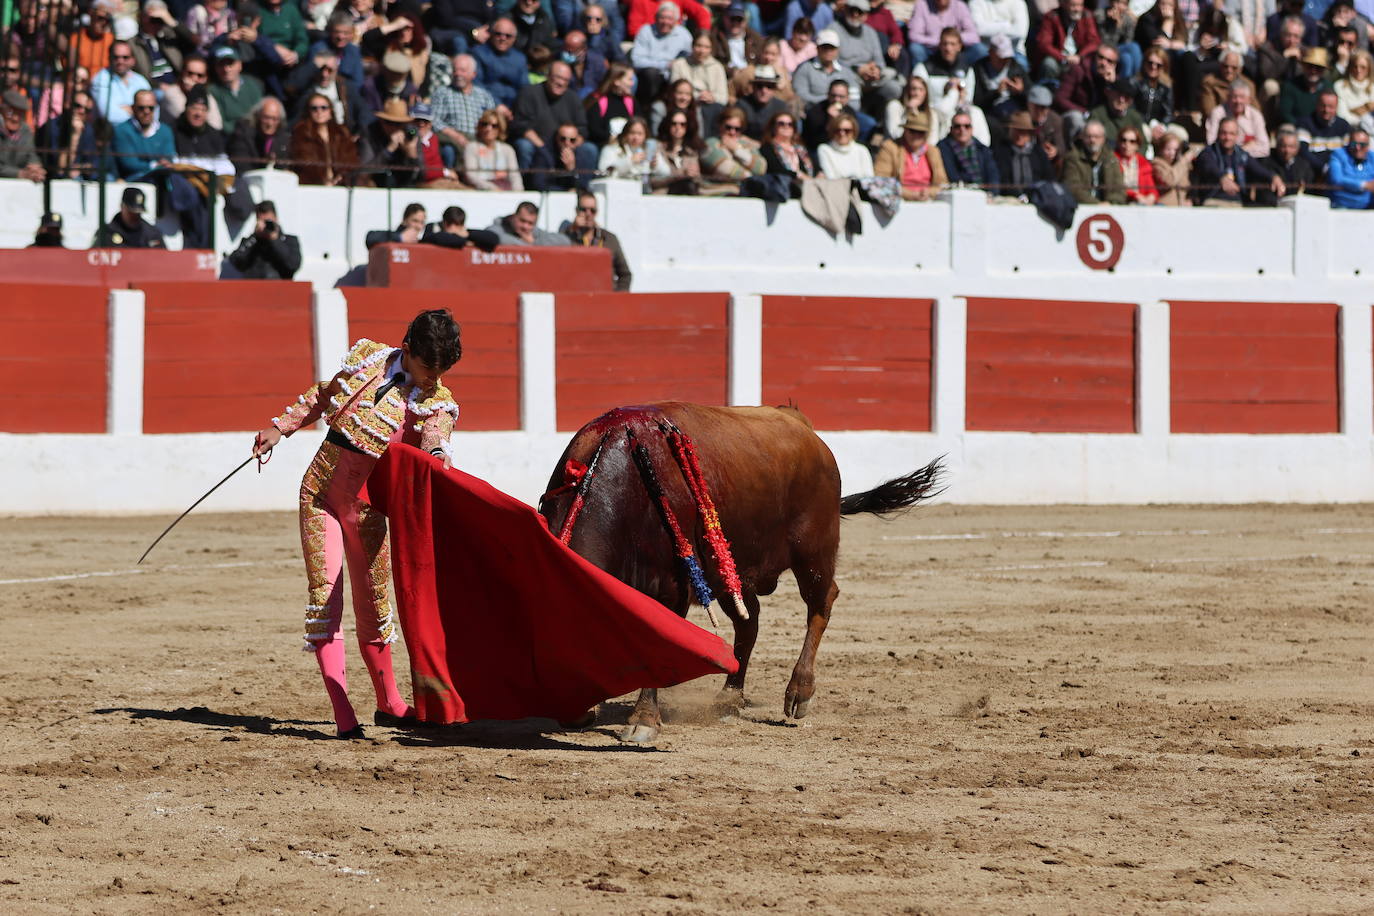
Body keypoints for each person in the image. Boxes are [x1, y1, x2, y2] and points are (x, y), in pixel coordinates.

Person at [250, 310, 464, 739]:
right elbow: (324, 394)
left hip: (368, 511)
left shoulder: (435, 398)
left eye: (439, 372)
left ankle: (389, 703)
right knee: (325, 597)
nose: (431, 379)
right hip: (320, 495)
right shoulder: (367, 358)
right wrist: (280, 428)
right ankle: (343, 710)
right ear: (408, 349)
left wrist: (439, 455)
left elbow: (435, 436)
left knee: (374, 604)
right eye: (426, 369)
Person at [1192, 116, 1285, 205]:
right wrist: (1222, 179)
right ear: (1218, 134)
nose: (1227, 137)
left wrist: (1274, 177)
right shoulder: (1208, 153)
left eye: (1231, 133)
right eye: (1224, 133)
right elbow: (1210, 167)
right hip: (1213, 200)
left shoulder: (1242, 155)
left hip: (1238, 202)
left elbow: (1258, 169)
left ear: (1237, 136)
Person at [835, 0, 903, 106]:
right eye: (852, 10)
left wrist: (876, 70)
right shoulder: (835, 29)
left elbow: (879, 61)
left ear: (866, 15)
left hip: (870, 79)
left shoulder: (870, 32)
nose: (855, 14)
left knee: (894, 88)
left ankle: (876, 117)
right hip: (847, 76)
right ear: (845, 9)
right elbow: (832, 62)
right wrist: (858, 69)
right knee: (852, 92)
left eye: (859, 11)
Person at [432, 54, 498, 160]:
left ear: (473, 74)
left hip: (479, 138)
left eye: (462, 70)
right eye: (455, 70)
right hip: (452, 139)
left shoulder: (484, 96)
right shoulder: (442, 93)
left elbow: (493, 120)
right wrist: (455, 135)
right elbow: (434, 120)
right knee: (448, 150)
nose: (458, 74)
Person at [289, 90, 363, 185]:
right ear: (308, 111)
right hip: (312, 186)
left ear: (330, 111)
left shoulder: (341, 132)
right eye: (314, 108)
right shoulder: (301, 133)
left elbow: (351, 160)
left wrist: (340, 177)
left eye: (323, 108)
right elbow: (304, 162)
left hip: (341, 185)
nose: (319, 111)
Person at [563, 190, 632, 290]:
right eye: (583, 209)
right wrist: (574, 229)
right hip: (578, 296)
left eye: (592, 210)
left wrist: (618, 298)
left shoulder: (609, 239)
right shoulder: (567, 238)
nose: (588, 214)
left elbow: (625, 275)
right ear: (577, 211)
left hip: (606, 298)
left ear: (597, 212)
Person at [874, 110, 949, 200]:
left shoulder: (933, 151)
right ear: (905, 130)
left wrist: (928, 192)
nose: (916, 135)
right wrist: (911, 194)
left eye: (921, 132)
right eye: (912, 131)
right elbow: (881, 181)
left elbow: (942, 184)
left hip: (928, 202)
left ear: (926, 134)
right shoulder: (890, 148)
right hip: (898, 202)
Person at [632, 1, 693, 108]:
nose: (665, 22)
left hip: (674, 77)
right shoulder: (646, 31)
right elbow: (636, 60)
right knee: (651, 74)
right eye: (662, 17)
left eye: (669, 19)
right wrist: (664, 64)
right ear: (655, 18)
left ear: (676, 20)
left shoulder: (684, 35)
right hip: (648, 80)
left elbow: (689, 58)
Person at [227, 200, 302, 278]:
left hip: (281, 288)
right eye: (263, 222)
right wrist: (255, 236)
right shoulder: (252, 242)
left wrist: (275, 240)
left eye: (268, 221)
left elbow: (293, 265)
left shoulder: (290, 241)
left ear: (276, 219)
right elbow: (236, 260)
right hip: (254, 288)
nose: (266, 226)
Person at [112, 88, 175, 182]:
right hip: (134, 181)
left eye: (151, 108)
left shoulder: (165, 131)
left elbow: (169, 158)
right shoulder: (122, 130)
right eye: (141, 108)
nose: (146, 112)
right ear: (133, 108)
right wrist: (155, 165)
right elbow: (129, 164)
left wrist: (164, 164)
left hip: (163, 178)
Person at [361, 97, 424, 187]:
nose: (394, 128)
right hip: (377, 185)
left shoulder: (411, 134)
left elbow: (421, 176)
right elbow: (365, 171)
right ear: (382, 122)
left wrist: (411, 154)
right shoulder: (370, 133)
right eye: (390, 122)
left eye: (399, 124)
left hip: (405, 185)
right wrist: (389, 150)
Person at [990, 109, 1052, 197]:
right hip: (1009, 198)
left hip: (1037, 197)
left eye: (1024, 131)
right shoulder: (1001, 151)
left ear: (1030, 133)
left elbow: (1048, 178)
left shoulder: (1038, 153)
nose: (1020, 135)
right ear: (1010, 130)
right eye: (1017, 130)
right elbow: (1002, 179)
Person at [793, 29, 862, 108]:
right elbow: (801, 96)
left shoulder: (847, 72)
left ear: (837, 50)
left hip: (844, 113)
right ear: (817, 48)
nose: (828, 51)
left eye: (832, 48)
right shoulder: (805, 68)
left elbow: (855, 100)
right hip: (814, 111)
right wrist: (829, 101)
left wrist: (841, 108)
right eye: (825, 47)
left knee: (868, 120)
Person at [1034, 0, 1100, 82]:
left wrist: (1080, 56)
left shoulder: (1086, 16)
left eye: (1080, 5)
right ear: (1063, 4)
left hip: (1079, 59)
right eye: (1073, 5)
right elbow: (1044, 43)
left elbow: (1094, 42)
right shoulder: (1052, 17)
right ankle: (1048, 88)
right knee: (1049, 64)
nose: (1077, 9)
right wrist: (1063, 58)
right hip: (1058, 59)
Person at [92, 40, 153, 126]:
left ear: (132, 59)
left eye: (125, 57)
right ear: (109, 58)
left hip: (140, 133)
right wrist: (138, 113)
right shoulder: (100, 79)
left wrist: (127, 109)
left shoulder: (141, 80)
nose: (120, 61)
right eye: (116, 57)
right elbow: (109, 115)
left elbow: (153, 111)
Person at [1062, 119, 1125, 203]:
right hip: (1082, 208)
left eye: (1096, 136)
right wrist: (1097, 204)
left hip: (1109, 209)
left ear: (1103, 138)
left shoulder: (1111, 159)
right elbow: (1073, 188)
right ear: (1082, 137)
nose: (1092, 140)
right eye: (1088, 136)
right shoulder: (1073, 158)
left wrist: (1111, 203)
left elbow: (1119, 188)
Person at [473, 17, 529, 109]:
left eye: (508, 36)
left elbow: (524, 88)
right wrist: (497, 105)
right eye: (498, 34)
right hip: (486, 105)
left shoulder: (520, 59)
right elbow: (477, 85)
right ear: (491, 34)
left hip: (514, 107)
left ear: (514, 38)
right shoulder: (479, 53)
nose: (502, 38)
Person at [700, 105, 766, 183]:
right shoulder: (710, 144)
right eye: (728, 127)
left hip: (746, 191)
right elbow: (726, 168)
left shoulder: (746, 144)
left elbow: (761, 168)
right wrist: (753, 177)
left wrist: (737, 149)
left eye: (737, 129)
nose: (732, 132)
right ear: (720, 125)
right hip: (720, 191)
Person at [207, 45, 265, 135]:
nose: (226, 69)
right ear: (215, 68)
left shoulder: (253, 85)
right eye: (221, 64)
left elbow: (260, 114)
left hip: (255, 135)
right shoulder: (212, 91)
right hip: (229, 138)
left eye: (230, 63)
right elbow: (221, 123)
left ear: (240, 65)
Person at [907, 0, 982, 68]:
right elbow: (913, 35)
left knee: (979, 49)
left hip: (956, 52)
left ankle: (976, 79)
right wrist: (938, 41)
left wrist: (953, 39)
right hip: (931, 50)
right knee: (915, 48)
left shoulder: (960, 6)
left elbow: (974, 36)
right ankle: (920, 78)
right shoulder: (922, 5)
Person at [1206, 80, 1270, 158]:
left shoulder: (1256, 115)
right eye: (1234, 97)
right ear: (1228, 97)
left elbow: (1265, 148)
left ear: (1249, 99)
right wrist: (1249, 145)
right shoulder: (1218, 113)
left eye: (1242, 97)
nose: (1238, 101)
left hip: (1249, 161)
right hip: (1222, 159)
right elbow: (1211, 142)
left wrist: (1237, 151)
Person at [937, 110, 998, 189]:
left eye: (966, 126)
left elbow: (993, 175)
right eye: (957, 126)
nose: (962, 130)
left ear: (972, 129)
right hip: (958, 193)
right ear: (951, 129)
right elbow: (952, 175)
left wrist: (992, 193)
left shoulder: (982, 149)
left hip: (984, 195)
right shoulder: (942, 149)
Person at [161, 54, 223, 131]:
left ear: (205, 79)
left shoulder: (206, 95)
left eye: (200, 76)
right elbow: (191, 120)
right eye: (190, 73)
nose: (194, 78)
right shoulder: (171, 93)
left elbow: (216, 125)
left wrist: (199, 91)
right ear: (183, 73)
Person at [465, 109, 523, 189]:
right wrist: (491, 188)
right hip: (481, 191)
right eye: (485, 124)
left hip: (505, 191)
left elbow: (515, 177)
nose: (488, 129)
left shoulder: (507, 149)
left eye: (494, 126)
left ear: (500, 129)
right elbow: (471, 176)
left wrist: (518, 194)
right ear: (479, 127)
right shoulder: (472, 147)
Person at [599, 116, 666, 185]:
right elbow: (603, 172)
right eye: (632, 133)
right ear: (625, 133)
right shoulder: (611, 149)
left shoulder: (649, 149)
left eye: (640, 134)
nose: (636, 137)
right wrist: (630, 161)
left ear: (645, 135)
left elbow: (666, 172)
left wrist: (656, 166)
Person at [1256, 126, 1316, 203]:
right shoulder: (1266, 163)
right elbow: (1264, 194)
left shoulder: (1304, 166)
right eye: (1283, 146)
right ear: (1277, 146)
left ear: (1297, 148)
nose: (1287, 150)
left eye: (1291, 147)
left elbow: (1309, 190)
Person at [670, 31, 730, 108]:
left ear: (711, 49)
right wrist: (698, 96)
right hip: (686, 105)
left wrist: (712, 97)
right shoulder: (679, 64)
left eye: (706, 47)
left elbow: (723, 97)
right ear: (692, 46)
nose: (702, 51)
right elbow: (674, 91)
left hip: (710, 105)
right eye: (698, 46)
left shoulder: (717, 67)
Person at [653, 106, 704, 193]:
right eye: (674, 123)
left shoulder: (691, 152)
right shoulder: (658, 148)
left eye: (682, 124)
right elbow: (653, 181)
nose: (678, 127)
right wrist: (681, 175)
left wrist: (695, 175)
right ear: (668, 125)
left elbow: (699, 182)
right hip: (664, 195)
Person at [1295, 88, 1352, 167]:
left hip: (1337, 168)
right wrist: (1323, 167)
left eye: (1331, 107)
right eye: (1323, 105)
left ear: (1336, 107)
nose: (1326, 110)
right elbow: (1303, 152)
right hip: (1312, 168)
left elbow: (1347, 152)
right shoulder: (1304, 123)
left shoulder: (1343, 125)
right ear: (1317, 105)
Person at [586, 62, 637, 148]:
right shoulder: (598, 100)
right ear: (616, 81)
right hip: (605, 145)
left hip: (628, 145)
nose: (632, 84)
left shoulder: (631, 101)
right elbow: (593, 128)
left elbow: (639, 124)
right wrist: (611, 138)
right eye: (629, 79)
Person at [93, 187, 166, 248]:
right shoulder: (106, 233)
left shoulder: (152, 234)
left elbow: (165, 260)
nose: (135, 216)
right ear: (122, 206)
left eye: (138, 213)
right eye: (131, 212)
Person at [1280, 47, 1335, 126]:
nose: (1313, 70)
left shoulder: (1328, 86)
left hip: (1321, 128)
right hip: (1296, 127)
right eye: (1310, 66)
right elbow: (1285, 114)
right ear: (1303, 66)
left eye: (1318, 67)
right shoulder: (1290, 86)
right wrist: (1302, 127)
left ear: (1324, 70)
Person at [228, 96, 285, 171]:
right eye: (266, 117)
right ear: (258, 116)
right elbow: (240, 164)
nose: (270, 123)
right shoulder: (242, 133)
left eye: (275, 119)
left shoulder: (283, 137)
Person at [1089, 77, 1148, 149]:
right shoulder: (1097, 114)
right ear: (1109, 93)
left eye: (1126, 96)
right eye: (1118, 94)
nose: (1121, 100)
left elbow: (1143, 144)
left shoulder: (1135, 117)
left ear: (1131, 101)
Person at [0, 89, 45, 182]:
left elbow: (31, 154)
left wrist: (35, 167)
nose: (15, 118)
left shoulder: (25, 130)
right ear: (2, 110)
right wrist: (19, 173)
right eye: (11, 113)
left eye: (20, 114)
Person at [886, 75, 945, 144]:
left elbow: (933, 141)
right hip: (897, 148)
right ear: (907, 91)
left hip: (921, 151)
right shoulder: (894, 106)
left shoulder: (931, 113)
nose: (917, 93)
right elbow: (895, 134)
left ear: (926, 93)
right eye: (913, 89)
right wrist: (909, 113)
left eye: (921, 90)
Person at [711, 2, 765, 78]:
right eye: (732, 19)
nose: (735, 23)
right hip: (725, 77)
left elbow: (763, 61)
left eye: (739, 19)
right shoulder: (716, 37)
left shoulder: (755, 38)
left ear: (745, 21)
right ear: (725, 18)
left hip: (751, 77)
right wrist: (731, 71)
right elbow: (711, 61)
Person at [736, 65, 790, 139]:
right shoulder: (741, 105)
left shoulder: (781, 107)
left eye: (769, 86)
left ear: (774, 89)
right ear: (753, 87)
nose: (764, 91)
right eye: (759, 86)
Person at [1325, 128, 1374, 207]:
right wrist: (1364, 185)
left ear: (1368, 146)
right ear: (1348, 143)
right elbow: (1337, 179)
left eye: (1362, 145)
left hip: (1368, 206)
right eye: (1354, 144)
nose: (1357, 148)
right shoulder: (1338, 155)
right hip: (1342, 205)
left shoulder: (1372, 157)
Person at [817, 110, 873, 177]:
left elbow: (869, 177)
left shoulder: (862, 150)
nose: (842, 134)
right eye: (838, 130)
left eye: (847, 131)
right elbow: (830, 177)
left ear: (854, 131)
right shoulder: (824, 149)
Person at [487, 200, 572, 244]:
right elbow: (492, 237)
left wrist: (534, 242)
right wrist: (529, 245)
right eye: (522, 220)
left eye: (530, 223)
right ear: (513, 216)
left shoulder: (533, 232)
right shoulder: (500, 226)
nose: (525, 226)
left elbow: (565, 240)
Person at [422, 206, 501, 250]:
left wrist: (468, 234)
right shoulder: (433, 228)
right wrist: (465, 242)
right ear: (445, 223)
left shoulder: (464, 233)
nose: (455, 229)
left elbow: (494, 239)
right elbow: (439, 238)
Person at [1113, 124, 1157, 203]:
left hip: (1142, 202)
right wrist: (1135, 195)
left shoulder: (1143, 163)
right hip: (1121, 201)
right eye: (1124, 140)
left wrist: (1152, 196)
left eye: (1132, 141)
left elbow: (1151, 187)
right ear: (1119, 142)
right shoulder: (1112, 161)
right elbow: (1115, 186)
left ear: (1137, 145)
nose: (1127, 144)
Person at [563, 30, 609, 99]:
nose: (567, 54)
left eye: (571, 52)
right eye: (565, 50)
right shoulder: (561, 64)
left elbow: (604, 84)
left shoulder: (597, 61)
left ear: (583, 49)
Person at [1151, 129, 1192, 205]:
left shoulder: (1181, 165)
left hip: (1182, 208)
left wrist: (1189, 200)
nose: (1172, 153)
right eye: (1168, 149)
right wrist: (1184, 160)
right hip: (1164, 207)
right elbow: (1170, 181)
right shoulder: (1157, 164)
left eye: (1175, 150)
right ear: (1161, 149)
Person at [1336, 49, 1374, 122]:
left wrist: (1354, 110)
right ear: (1350, 67)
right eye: (1355, 66)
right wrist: (1366, 108)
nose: (1358, 70)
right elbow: (1342, 115)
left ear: (1369, 69)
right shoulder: (1340, 86)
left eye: (1363, 67)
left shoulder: (1373, 88)